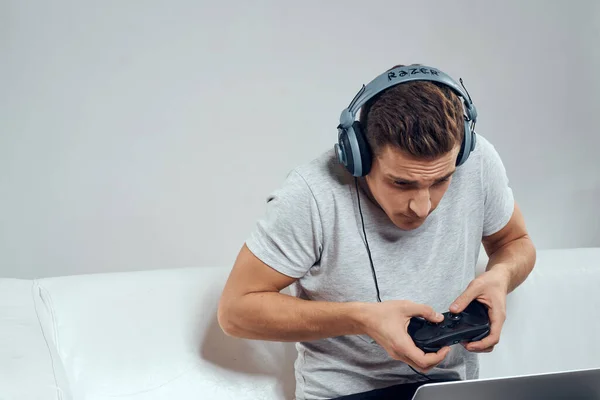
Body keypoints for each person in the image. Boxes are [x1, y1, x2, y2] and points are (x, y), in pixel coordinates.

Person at [217, 63, 536, 400]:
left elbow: (515, 242)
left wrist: (501, 276)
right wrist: (361, 318)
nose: (422, 206)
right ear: (359, 157)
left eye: (441, 181)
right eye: (401, 183)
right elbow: (236, 311)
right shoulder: (311, 194)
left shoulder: (478, 162)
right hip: (345, 396)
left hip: (448, 390)